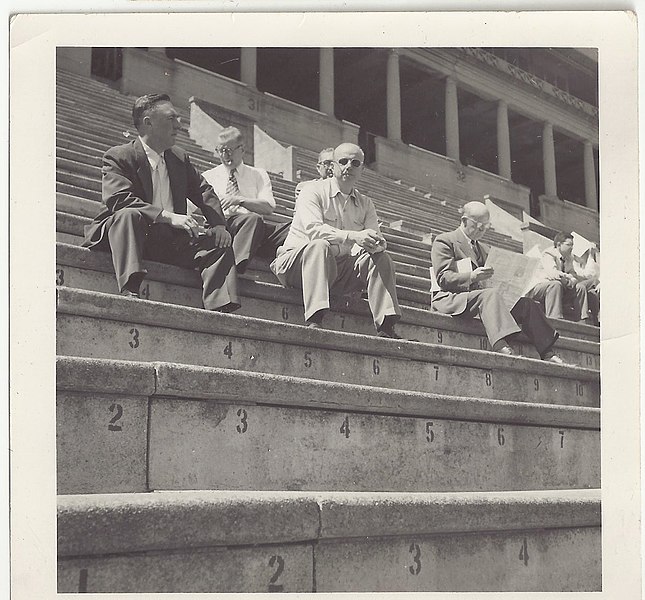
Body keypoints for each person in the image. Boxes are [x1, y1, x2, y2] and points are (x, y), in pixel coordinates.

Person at [81, 93, 240, 312]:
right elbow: (119, 200)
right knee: (129, 214)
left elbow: (203, 190)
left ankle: (220, 309)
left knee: (218, 243)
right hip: (129, 236)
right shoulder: (119, 156)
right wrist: (168, 216)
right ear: (148, 122)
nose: (179, 124)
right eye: (171, 118)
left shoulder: (179, 158)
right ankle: (130, 290)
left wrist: (219, 224)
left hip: (168, 240)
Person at [271, 142, 403, 338]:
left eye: (356, 163)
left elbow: (375, 237)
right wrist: (355, 236)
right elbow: (314, 231)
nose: (349, 166)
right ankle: (315, 319)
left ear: (362, 170)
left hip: (336, 268)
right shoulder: (312, 191)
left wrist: (376, 245)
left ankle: (386, 326)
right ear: (332, 167)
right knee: (319, 245)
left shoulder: (366, 204)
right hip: (296, 264)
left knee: (381, 258)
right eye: (343, 161)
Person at [430, 201, 566, 363]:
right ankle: (501, 345)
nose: (482, 231)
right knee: (489, 295)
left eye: (486, 227)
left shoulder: (485, 248)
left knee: (528, 304)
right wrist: (472, 276)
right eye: (479, 226)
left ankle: (547, 352)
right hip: (452, 297)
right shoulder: (445, 241)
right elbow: (443, 278)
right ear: (464, 220)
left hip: (484, 298)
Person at [202, 126, 286, 266]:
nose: (225, 156)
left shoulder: (258, 174)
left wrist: (239, 200)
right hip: (224, 226)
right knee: (253, 219)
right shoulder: (209, 176)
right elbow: (188, 206)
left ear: (242, 149)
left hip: (253, 229)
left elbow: (269, 207)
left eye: (229, 150)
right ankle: (234, 265)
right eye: (220, 151)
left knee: (290, 229)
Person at [525, 232, 599, 325]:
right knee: (556, 284)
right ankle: (555, 319)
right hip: (539, 288)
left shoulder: (569, 257)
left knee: (580, 288)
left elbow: (573, 274)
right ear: (559, 245)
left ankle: (582, 320)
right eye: (568, 245)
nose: (572, 247)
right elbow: (553, 274)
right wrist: (569, 278)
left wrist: (570, 280)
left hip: (561, 287)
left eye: (572, 245)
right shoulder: (548, 254)